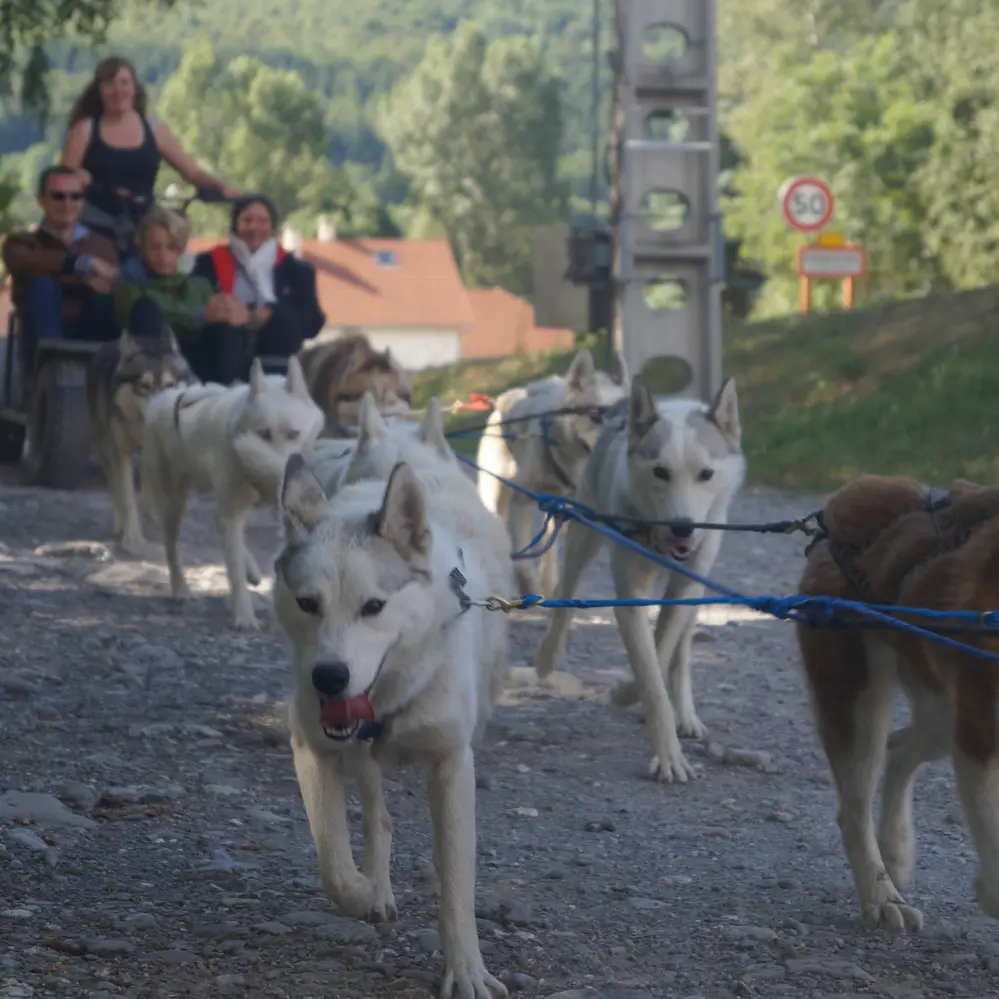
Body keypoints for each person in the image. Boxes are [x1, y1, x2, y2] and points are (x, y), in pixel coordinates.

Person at [60, 56, 238, 252]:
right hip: (94, 226)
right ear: (99, 90)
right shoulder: (84, 130)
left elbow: (191, 172)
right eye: (110, 84)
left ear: (134, 88)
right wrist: (78, 178)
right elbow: (61, 181)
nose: (118, 90)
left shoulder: (155, 130)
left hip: (142, 226)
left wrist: (222, 187)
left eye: (124, 83)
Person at [1, 165, 119, 376]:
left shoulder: (103, 246)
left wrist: (66, 271)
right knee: (42, 286)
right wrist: (86, 266)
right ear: (41, 200)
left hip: (92, 330)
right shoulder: (21, 243)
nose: (67, 203)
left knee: (103, 299)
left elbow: (111, 282)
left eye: (75, 196)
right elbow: (28, 265)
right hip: (40, 334)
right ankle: (54, 372)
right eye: (58, 196)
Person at [114, 206, 251, 384]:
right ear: (143, 248)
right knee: (146, 309)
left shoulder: (200, 286)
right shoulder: (128, 288)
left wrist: (239, 316)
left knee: (227, 328)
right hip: (153, 367)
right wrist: (200, 316)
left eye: (171, 247)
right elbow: (153, 316)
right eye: (155, 247)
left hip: (199, 362)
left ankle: (227, 391)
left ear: (180, 250)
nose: (163, 255)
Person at [192, 194, 325, 365]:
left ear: (272, 226)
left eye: (262, 221)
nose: (254, 227)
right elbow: (191, 311)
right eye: (247, 220)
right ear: (235, 224)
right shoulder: (209, 262)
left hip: (278, 355)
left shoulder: (297, 270)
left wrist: (273, 313)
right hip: (222, 352)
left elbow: (313, 323)